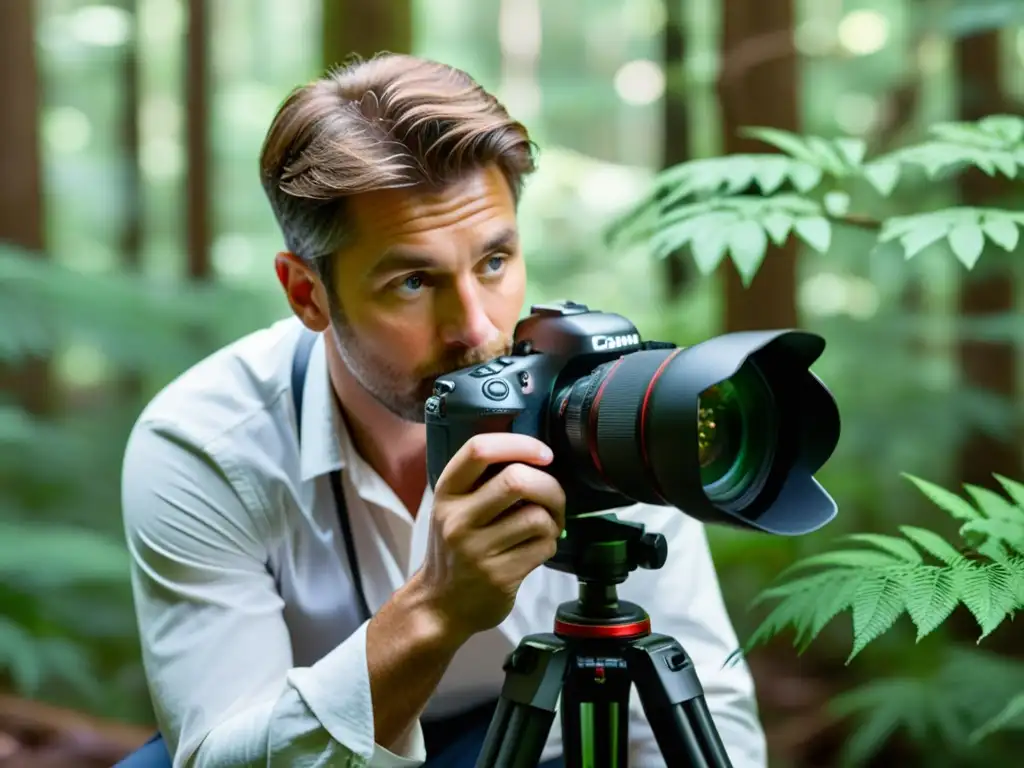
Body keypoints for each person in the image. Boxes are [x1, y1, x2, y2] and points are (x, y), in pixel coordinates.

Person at [116, 53, 768, 768]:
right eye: (413, 280)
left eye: (493, 263)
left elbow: (710, 711)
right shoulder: (209, 440)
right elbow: (219, 755)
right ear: (307, 294)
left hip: (543, 745)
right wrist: (435, 606)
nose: (478, 328)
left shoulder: (614, 406)